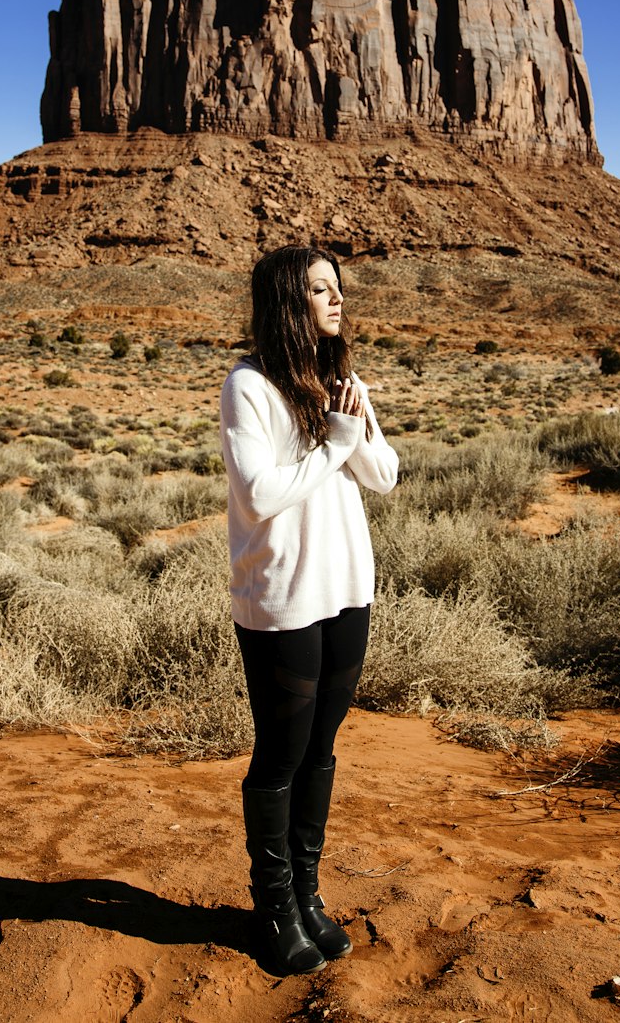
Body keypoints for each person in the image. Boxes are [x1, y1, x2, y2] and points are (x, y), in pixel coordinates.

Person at [220, 244, 399, 975]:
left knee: (322, 749)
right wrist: (335, 443)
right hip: (282, 597)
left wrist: (351, 428)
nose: (336, 299)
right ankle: (274, 909)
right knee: (283, 752)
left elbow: (384, 476)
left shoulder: (342, 380)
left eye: (337, 288)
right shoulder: (248, 386)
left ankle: (308, 896)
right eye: (320, 289)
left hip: (347, 587)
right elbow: (259, 496)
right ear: (289, 301)